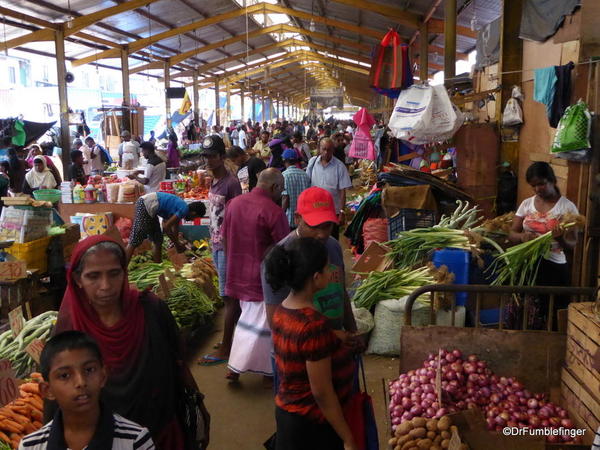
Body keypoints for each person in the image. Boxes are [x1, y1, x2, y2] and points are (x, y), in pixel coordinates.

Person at [53, 236, 209, 449]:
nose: (105, 286)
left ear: (124, 273)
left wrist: (198, 402)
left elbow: (177, 361)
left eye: (114, 273)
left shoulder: (151, 309)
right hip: (104, 440)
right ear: (78, 280)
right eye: (93, 276)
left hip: (161, 432)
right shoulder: (70, 329)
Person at [265, 237, 357, 450]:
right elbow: (322, 393)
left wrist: (335, 337)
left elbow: (299, 347)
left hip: (289, 413)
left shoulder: (282, 311)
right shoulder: (313, 325)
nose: (330, 272)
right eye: (327, 268)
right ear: (316, 277)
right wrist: (347, 437)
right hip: (312, 424)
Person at [20, 331, 155, 450]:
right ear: (47, 390)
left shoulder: (135, 440)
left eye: (89, 370)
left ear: (103, 376)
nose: (81, 382)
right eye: (64, 375)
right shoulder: (30, 446)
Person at [222, 169, 290, 382]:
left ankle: (236, 368)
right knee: (262, 325)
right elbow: (284, 247)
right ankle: (266, 371)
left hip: (236, 270)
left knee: (246, 320)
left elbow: (224, 237)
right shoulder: (273, 211)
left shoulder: (234, 204)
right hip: (262, 277)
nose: (281, 195)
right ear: (274, 187)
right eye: (280, 190)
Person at [508, 161, 579, 327]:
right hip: (526, 264)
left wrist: (560, 238)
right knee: (525, 310)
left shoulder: (567, 208)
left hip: (553, 267)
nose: (538, 189)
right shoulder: (527, 204)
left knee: (552, 312)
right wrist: (522, 237)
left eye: (541, 184)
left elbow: (573, 244)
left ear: (552, 180)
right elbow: (512, 234)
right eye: (534, 186)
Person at [198, 135, 242, 366]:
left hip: (227, 247)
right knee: (227, 296)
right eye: (205, 155)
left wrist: (229, 247)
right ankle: (236, 340)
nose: (208, 160)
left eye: (212, 155)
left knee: (229, 297)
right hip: (216, 244)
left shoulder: (231, 183)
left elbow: (237, 219)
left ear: (221, 157)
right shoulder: (213, 182)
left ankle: (227, 347)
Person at [125, 192, 205, 263]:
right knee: (135, 239)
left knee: (158, 239)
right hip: (145, 204)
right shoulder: (184, 209)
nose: (192, 220)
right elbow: (166, 227)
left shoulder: (182, 209)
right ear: (194, 213)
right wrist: (177, 244)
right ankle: (123, 268)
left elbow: (175, 227)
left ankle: (158, 265)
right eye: (195, 218)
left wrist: (177, 242)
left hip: (150, 209)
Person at [306, 138, 352, 240]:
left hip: (332, 212)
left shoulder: (339, 166)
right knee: (315, 239)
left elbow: (342, 192)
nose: (326, 152)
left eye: (329, 150)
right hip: (315, 209)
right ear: (319, 149)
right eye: (324, 149)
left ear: (333, 151)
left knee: (331, 239)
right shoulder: (312, 163)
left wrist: (341, 212)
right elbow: (307, 183)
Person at [281, 149, 311, 229]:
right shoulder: (305, 175)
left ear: (284, 160)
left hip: (290, 220)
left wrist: (281, 215)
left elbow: (285, 198)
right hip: (304, 219)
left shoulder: (284, 176)